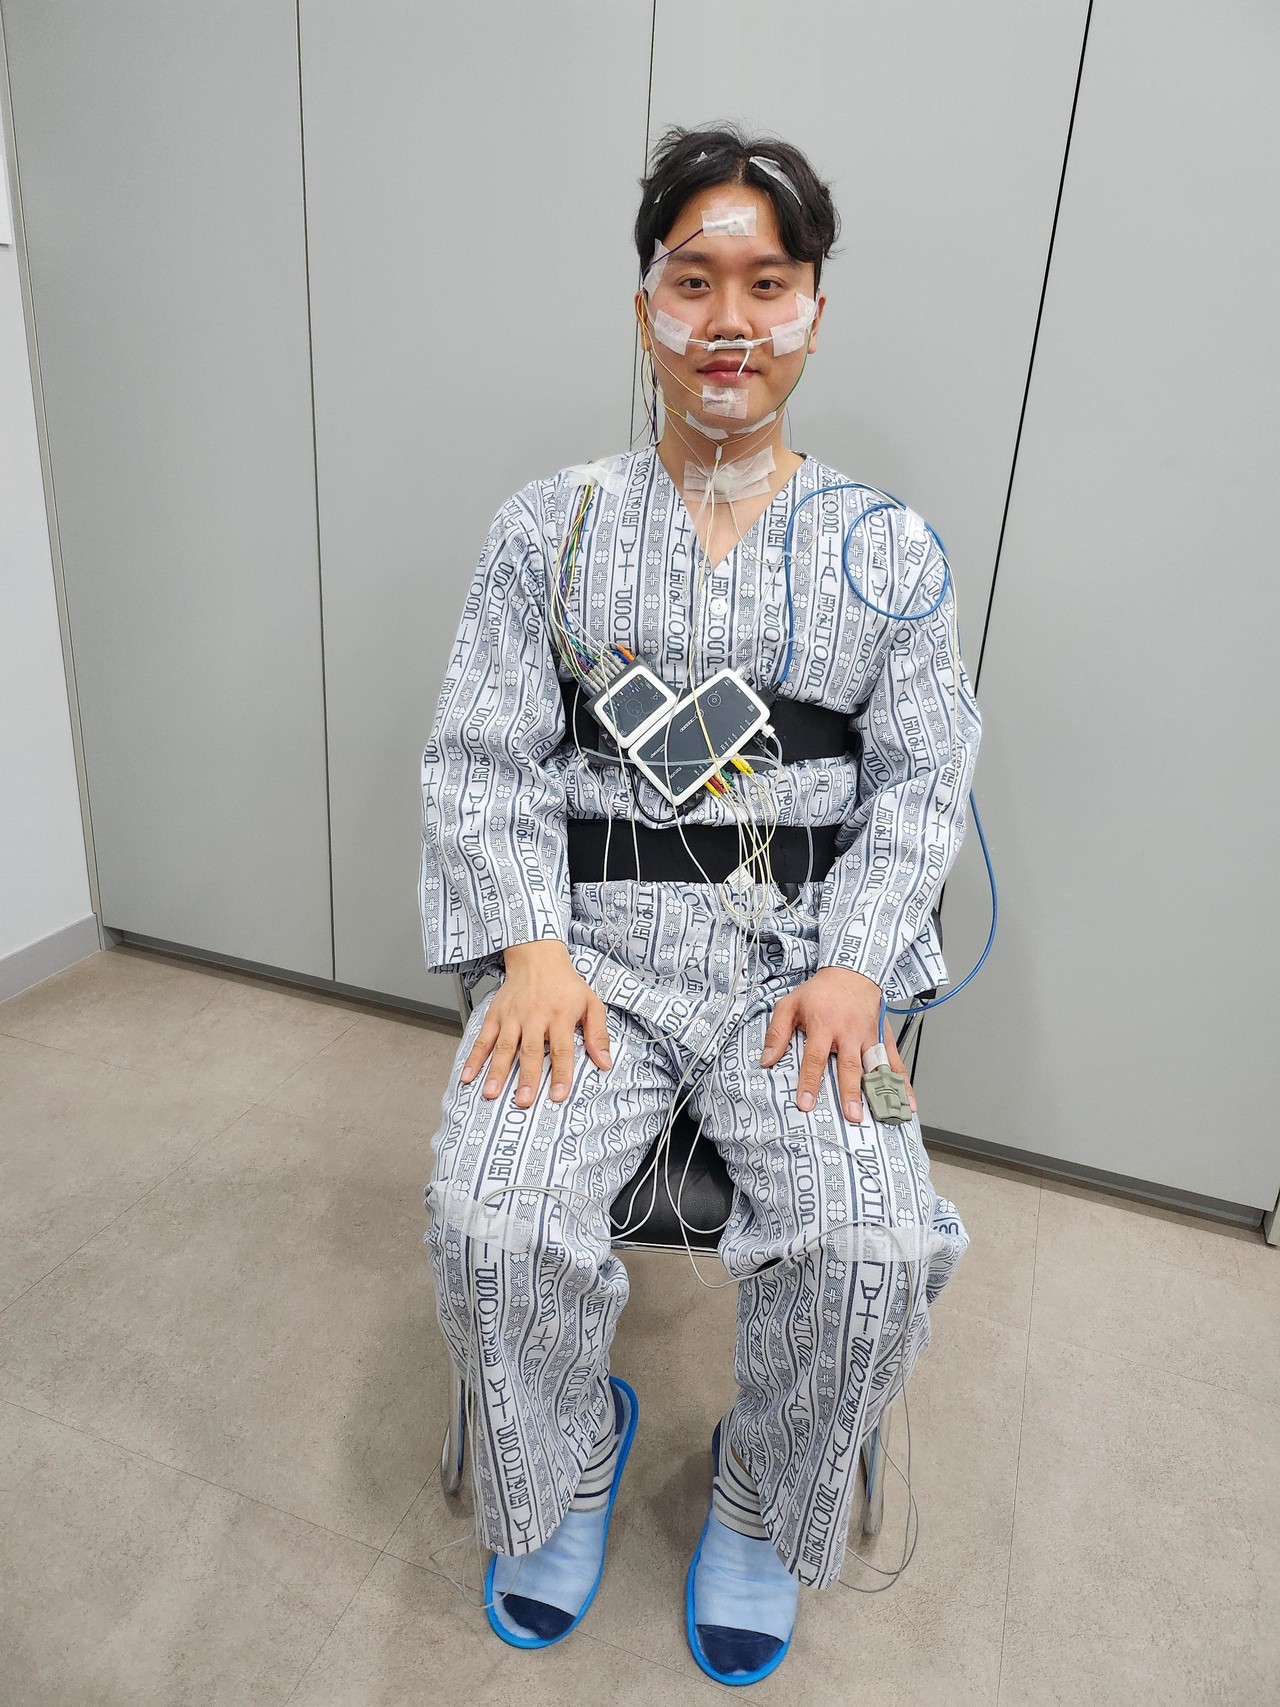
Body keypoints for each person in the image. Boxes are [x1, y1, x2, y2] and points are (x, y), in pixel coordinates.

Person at [418, 124, 980, 1686]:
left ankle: (757, 1495)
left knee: (874, 1244)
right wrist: (532, 949)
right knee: (488, 1217)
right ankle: (566, 1462)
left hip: (802, 972)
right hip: (589, 959)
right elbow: (479, 756)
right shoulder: (549, 530)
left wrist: (860, 962)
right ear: (646, 307)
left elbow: (924, 782)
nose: (730, 320)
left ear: (814, 311)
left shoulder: (889, 553)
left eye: (768, 283)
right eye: (693, 280)